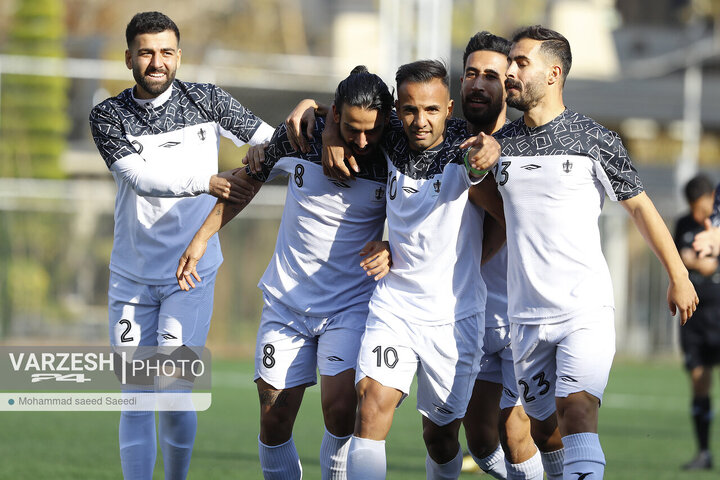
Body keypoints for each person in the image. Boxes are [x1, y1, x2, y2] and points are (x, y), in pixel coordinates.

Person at [468, 25, 698, 479]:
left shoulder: (595, 139)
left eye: (520, 63)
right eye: (509, 62)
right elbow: (497, 212)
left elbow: (640, 207)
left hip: (584, 310)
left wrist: (679, 275)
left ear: (553, 74)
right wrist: (478, 173)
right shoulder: (503, 145)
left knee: (577, 412)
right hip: (526, 317)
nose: (509, 71)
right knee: (545, 431)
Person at [177, 66, 394, 479]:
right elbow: (249, 180)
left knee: (341, 409)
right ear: (334, 118)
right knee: (274, 419)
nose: (363, 141)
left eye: (373, 131)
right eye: (351, 129)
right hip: (286, 304)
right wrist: (202, 237)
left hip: (350, 305)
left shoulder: (393, 148)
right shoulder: (299, 137)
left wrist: (314, 106)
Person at [88, 11, 274, 480]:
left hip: (189, 276)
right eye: (146, 52)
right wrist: (208, 181)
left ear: (179, 56)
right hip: (130, 277)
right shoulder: (108, 115)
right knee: (134, 397)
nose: (157, 62)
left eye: (166, 52)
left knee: (171, 391)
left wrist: (269, 152)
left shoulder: (208, 100)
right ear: (128, 56)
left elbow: (268, 141)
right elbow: (138, 176)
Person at [334, 59, 499, 480]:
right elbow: (343, 108)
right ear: (397, 110)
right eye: (409, 109)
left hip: (453, 317)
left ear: (448, 106)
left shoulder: (469, 146)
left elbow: (503, 219)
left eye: (430, 110)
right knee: (370, 405)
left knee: (440, 437)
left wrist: (468, 261)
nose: (419, 121)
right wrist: (326, 130)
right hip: (395, 304)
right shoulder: (387, 132)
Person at [457, 32, 544, 480]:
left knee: (517, 432)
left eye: (492, 75)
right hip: (468, 315)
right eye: (472, 73)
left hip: (522, 312)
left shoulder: (523, 145)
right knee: (480, 439)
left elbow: (518, 220)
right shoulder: (440, 140)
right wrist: (314, 108)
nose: (480, 84)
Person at [675, 174, 720, 470]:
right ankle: (704, 453)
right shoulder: (683, 224)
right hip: (694, 318)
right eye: (692, 207)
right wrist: (690, 262)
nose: (696, 214)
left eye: (701, 207)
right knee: (698, 380)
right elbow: (677, 257)